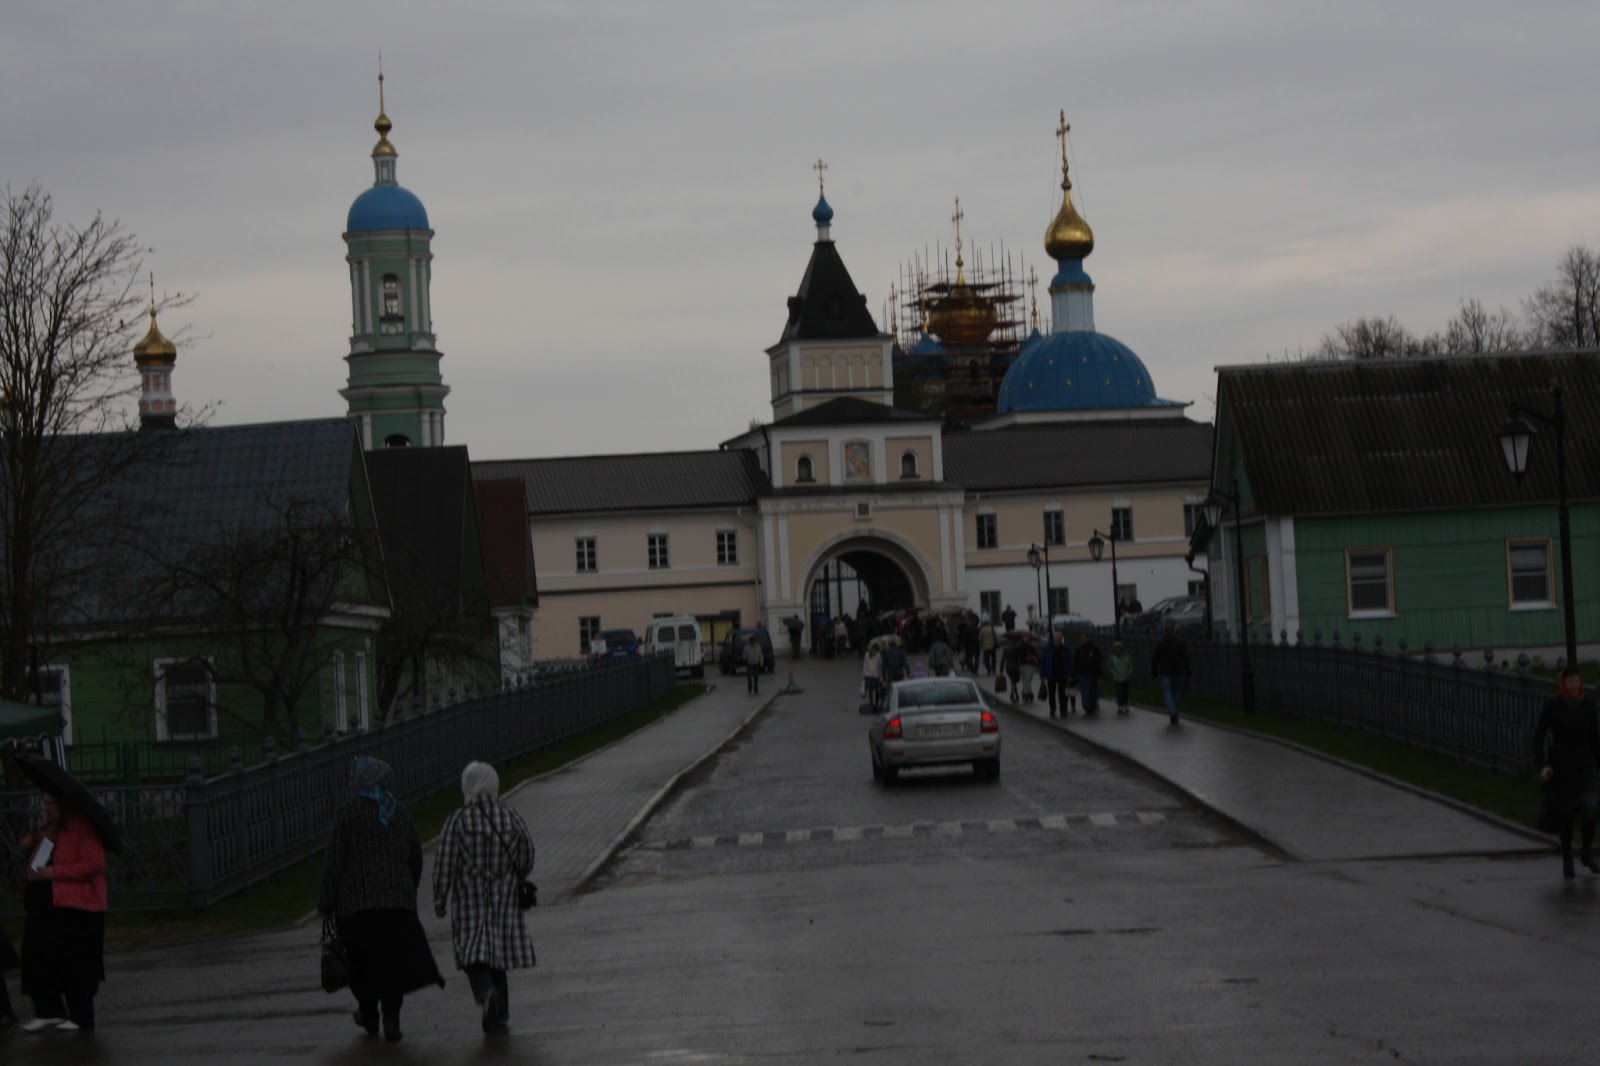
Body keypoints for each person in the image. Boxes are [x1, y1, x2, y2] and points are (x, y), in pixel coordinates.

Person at [319, 756, 443, 1043]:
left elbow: (334, 861)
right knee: (392, 963)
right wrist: (408, 889)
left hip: (355, 908)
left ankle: (369, 1013)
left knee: (360, 963)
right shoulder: (399, 812)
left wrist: (326, 902)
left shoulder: (347, 813)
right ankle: (391, 1019)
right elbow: (415, 855)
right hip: (397, 905)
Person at [433, 762, 536, 1034]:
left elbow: (445, 862)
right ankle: (501, 1014)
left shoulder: (458, 821)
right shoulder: (509, 815)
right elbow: (527, 852)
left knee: (472, 954)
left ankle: (485, 991)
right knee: (496, 955)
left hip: (469, 899)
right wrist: (516, 874)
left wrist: (440, 898)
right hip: (504, 899)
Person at [18, 786, 106, 1034]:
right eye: (44, 803)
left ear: (65, 804)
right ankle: (47, 1009)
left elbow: (94, 864)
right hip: (46, 905)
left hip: (76, 904)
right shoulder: (48, 829)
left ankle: (80, 1015)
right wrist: (30, 846)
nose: (46, 808)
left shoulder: (81, 827)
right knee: (36, 955)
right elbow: (40, 862)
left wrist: (55, 873)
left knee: (75, 963)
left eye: (51, 803)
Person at [1534, 668, 1600, 880]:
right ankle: (1567, 858)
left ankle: (1586, 854)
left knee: (1590, 810)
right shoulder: (1553, 706)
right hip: (1561, 768)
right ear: (1563, 683)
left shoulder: (1588, 706)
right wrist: (1542, 765)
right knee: (1567, 815)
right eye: (1570, 681)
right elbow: (1539, 736)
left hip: (1584, 767)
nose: (1573, 685)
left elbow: (1594, 739)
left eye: (1577, 681)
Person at [1151, 621, 1192, 726]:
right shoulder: (1180, 644)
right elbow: (1186, 658)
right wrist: (1188, 671)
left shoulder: (1161, 644)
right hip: (1178, 671)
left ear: (1165, 632)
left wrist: (1154, 672)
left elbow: (1155, 659)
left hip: (1166, 672)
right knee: (1177, 692)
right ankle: (1174, 712)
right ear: (1174, 631)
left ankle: (1172, 711)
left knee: (1168, 692)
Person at [1040, 630, 1071, 718]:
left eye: (1060, 639)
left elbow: (1069, 662)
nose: (1058, 640)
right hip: (1051, 674)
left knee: (1063, 693)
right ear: (1054, 639)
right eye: (1057, 638)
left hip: (1062, 674)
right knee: (1051, 693)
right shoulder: (1048, 648)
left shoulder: (1065, 649)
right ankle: (1052, 710)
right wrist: (1042, 675)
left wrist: (1069, 674)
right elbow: (1043, 662)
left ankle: (1063, 710)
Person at [1072, 632, 1105, 716]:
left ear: (1087, 638)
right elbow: (1075, 661)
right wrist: (1074, 673)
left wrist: (1099, 674)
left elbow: (1099, 660)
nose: (1083, 640)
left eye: (1084, 638)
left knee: (1093, 691)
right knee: (1085, 691)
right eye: (1082, 639)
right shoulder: (1079, 649)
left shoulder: (1093, 648)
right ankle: (1087, 706)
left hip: (1093, 673)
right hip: (1082, 674)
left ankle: (1092, 706)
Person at [1107, 640, 1135, 715]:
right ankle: (1120, 705)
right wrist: (1114, 673)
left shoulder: (1126, 656)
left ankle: (1125, 704)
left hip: (1125, 677)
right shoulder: (1112, 657)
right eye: (1116, 648)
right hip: (1117, 678)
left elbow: (1130, 665)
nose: (1117, 650)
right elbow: (1110, 666)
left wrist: (1128, 673)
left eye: (1119, 648)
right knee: (1119, 692)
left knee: (1125, 691)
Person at [862, 643, 884, 712]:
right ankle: (876, 703)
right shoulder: (878, 655)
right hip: (875, 675)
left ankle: (871, 703)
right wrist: (881, 675)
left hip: (868, 675)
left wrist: (864, 674)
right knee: (876, 690)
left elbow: (865, 664)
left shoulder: (867, 654)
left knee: (870, 690)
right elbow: (880, 664)